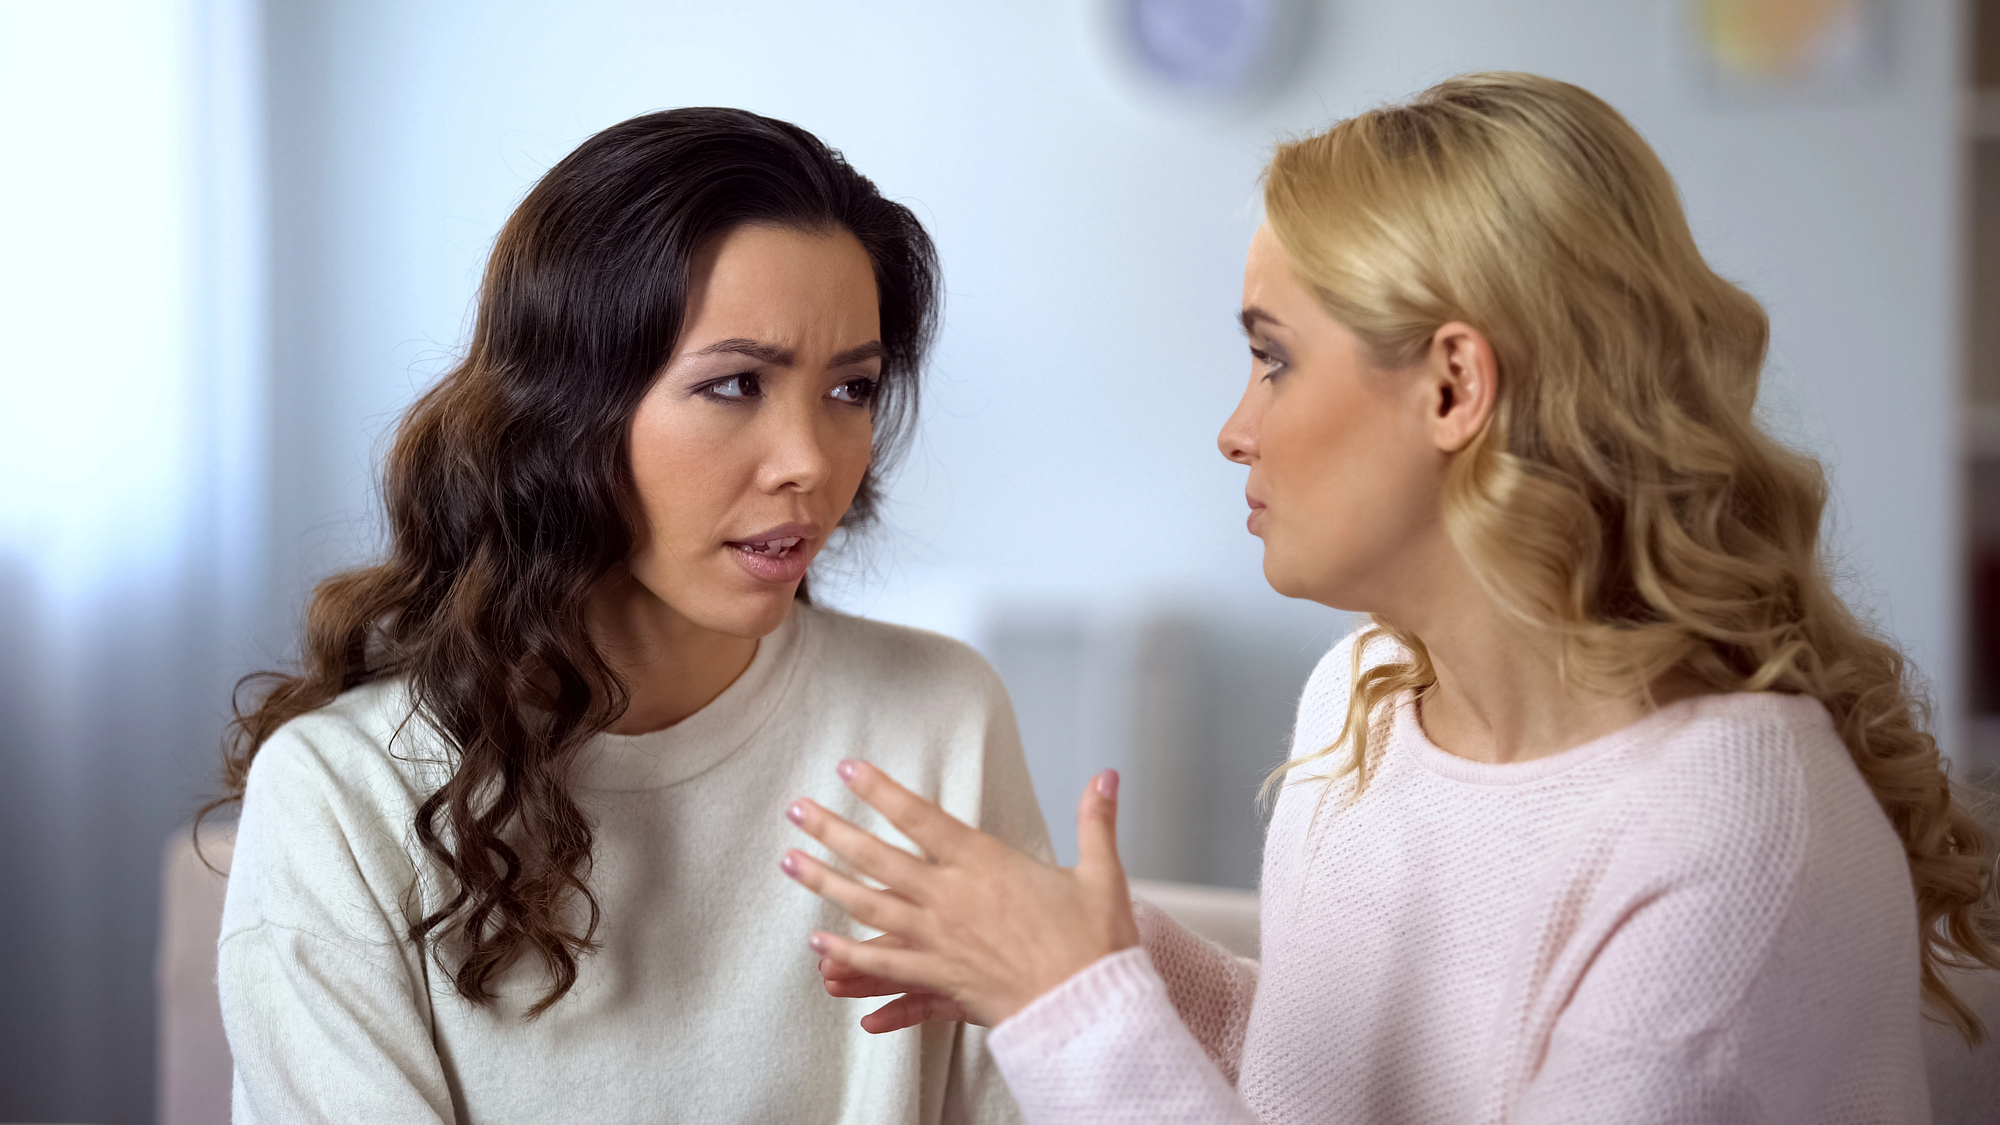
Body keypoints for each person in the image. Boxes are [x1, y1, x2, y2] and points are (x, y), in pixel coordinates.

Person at [781, 72, 2000, 1122]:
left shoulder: (1723, 842)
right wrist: (1113, 963)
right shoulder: (1365, 694)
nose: (1233, 429)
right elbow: (1357, 1083)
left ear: (1453, 387)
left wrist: (1078, 1016)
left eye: (1272, 358)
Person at [214, 107, 1048, 1124]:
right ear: (564, 409)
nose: (810, 462)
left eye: (851, 388)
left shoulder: (935, 718)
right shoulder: (343, 794)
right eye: (736, 383)